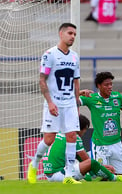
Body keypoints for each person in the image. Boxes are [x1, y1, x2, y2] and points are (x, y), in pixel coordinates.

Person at [27, 23, 81, 184]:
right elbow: (42, 80)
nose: (72, 36)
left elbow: (76, 82)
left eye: (74, 34)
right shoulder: (49, 54)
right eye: (70, 33)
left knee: (72, 135)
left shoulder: (74, 56)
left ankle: (69, 176)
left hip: (69, 103)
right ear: (61, 34)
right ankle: (34, 163)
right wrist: (49, 102)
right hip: (54, 103)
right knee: (49, 138)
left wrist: (77, 106)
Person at [43, 114, 122, 182]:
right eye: (85, 130)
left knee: (89, 170)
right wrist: (102, 168)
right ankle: (115, 178)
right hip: (60, 175)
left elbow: (82, 161)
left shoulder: (58, 133)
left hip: (49, 175)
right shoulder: (74, 137)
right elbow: (88, 161)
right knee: (92, 164)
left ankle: (95, 177)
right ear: (81, 128)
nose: (84, 133)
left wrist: (102, 167)